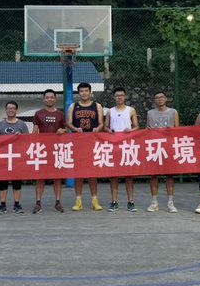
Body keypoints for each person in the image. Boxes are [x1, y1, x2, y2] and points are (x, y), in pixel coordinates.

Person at [66, 82, 104, 211]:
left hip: (92, 142)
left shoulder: (97, 106)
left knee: (92, 173)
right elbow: (68, 123)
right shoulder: (73, 106)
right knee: (79, 173)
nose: (84, 93)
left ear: (90, 92)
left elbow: (101, 123)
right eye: (81, 91)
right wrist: (75, 129)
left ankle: (94, 200)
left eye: (86, 91)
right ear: (78, 93)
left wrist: (97, 129)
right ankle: (78, 200)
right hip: (78, 143)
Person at [104, 87, 140, 212]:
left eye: (121, 95)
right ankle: (114, 202)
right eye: (117, 95)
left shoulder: (131, 110)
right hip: (114, 146)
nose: (119, 97)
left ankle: (131, 202)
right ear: (114, 97)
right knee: (114, 175)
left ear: (125, 96)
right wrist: (110, 130)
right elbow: (105, 127)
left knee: (128, 176)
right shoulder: (110, 111)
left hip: (127, 147)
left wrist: (130, 130)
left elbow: (137, 126)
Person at [32, 89, 67, 213]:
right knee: (40, 177)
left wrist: (63, 130)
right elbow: (35, 130)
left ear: (55, 99)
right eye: (47, 97)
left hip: (56, 150)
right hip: (42, 150)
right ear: (44, 99)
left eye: (52, 97)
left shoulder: (60, 114)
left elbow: (65, 128)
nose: (49, 99)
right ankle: (38, 203)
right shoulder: (38, 113)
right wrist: (31, 140)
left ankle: (58, 202)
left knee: (57, 177)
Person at [145, 91, 179, 213]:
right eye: (157, 97)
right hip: (155, 147)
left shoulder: (173, 112)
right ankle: (154, 202)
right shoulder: (150, 113)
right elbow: (147, 128)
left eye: (161, 97)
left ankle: (170, 203)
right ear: (154, 100)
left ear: (166, 99)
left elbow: (177, 129)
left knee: (169, 175)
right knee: (154, 175)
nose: (159, 99)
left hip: (168, 147)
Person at [0, 101, 29, 214]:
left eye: (13, 108)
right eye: (8, 108)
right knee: (2, 182)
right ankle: (2, 204)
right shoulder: (0, 124)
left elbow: (27, 141)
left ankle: (17, 204)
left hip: (16, 157)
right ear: (5, 110)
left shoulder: (22, 124)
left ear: (16, 110)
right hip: (3, 157)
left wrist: (21, 137)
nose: (10, 110)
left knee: (17, 182)